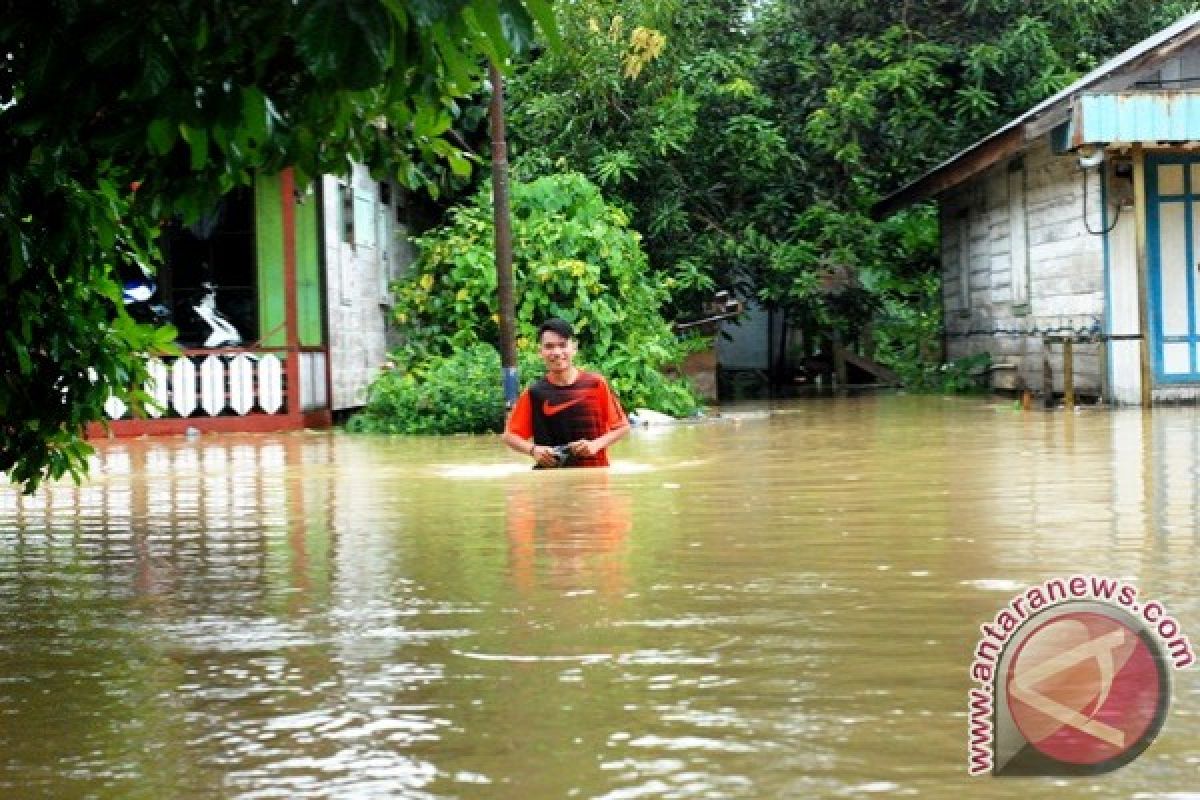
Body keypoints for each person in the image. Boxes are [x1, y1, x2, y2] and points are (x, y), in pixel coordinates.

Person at [502, 318, 630, 468]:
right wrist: (533, 450)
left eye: (562, 345)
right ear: (540, 352)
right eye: (549, 347)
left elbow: (622, 427)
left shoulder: (596, 384)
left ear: (574, 348)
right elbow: (509, 436)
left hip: (595, 479)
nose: (556, 352)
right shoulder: (534, 393)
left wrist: (595, 445)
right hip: (550, 482)